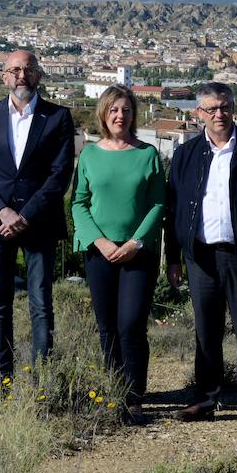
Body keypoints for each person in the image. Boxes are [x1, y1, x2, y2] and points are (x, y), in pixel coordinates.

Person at [166, 82, 237, 429]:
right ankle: (204, 399)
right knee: (206, 330)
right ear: (199, 113)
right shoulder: (186, 155)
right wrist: (174, 257)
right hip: (200, 255)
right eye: (212, 108)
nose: (219, 114)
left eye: (225, 107)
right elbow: (173, 210)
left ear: (233, 109)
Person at [0, 50, 75, 381]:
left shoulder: (58, 117)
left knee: (41, 304)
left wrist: (24, 215)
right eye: (14, 70)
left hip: (38, 222)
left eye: (27, 69)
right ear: (3, 76)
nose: (21, 75)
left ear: (38, 75)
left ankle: (42, 379)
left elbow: (60, 174)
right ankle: (2, 378)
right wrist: (3, 212)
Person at [71, 86, 165, 425]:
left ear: (133, 115)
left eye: (125, 110)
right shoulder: (90, 156)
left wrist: (134, 243)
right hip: (99, 253)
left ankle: (134, 397)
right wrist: (100, 242)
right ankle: (114, 392)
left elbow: (158, 204)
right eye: (113, 110)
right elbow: (78, 203)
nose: (119, 116)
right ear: (103, 114)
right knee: (107, 326)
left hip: (138, 254)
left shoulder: (148, 154)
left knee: (131, 325)